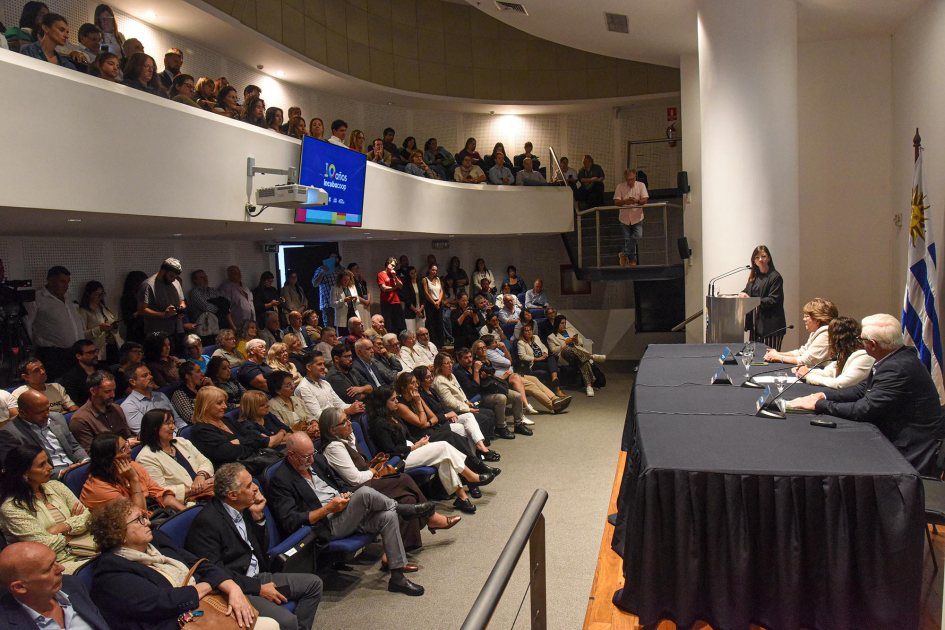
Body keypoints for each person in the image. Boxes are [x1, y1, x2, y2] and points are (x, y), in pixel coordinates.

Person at [267, 433, 426, 595]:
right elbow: (290, 521)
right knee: (365, 493)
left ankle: (397, 578)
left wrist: (345, 494)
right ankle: (402, 509)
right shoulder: (281, 480)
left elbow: (340, 484)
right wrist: (328, 508)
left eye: (312, 454)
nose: (312, 460)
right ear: (291, 455)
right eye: (306, 457)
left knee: (387, 516)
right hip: (325, 525)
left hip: (345, 513)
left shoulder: (318, 462)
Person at [788, 314, 945, 476]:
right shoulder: (894, 357)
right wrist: (822, 396)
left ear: (872, 344)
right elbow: (860, 390)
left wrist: (819, 405)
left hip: (910, 448)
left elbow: (865, 409)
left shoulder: (897, 368)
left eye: (861, 339)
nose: (859, 342)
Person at [89, 499, 275, 630]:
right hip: (177, 623)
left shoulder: (157, 541)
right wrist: (209, 584)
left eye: (144, 516)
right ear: (118, 533)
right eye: (139, 520)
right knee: (270, 626)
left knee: (271, 623)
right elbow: (164, 601)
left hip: (206, 608)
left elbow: (201, 564)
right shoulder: (111, 573)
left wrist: (232, 587)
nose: (147, 522)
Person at [184, 463, 324, 630]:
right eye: (249, 486)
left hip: (257, 576)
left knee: (313, 585)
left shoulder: (242, 509)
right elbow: (215, 572)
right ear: (232, 495)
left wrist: (257, 517)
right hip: (237, 588)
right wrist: (259, 589)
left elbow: (258, 550)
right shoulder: (207, 523)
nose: (256, 488)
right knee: (286, 621)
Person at [319, 408, 459, 549]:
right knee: (403, 480)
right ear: (332, 431)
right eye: (344, 422)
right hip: (356, 491)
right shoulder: (334, 448)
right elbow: (355, 479)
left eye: (348, 418)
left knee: (407, 499)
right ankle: (432, 517)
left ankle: (403, 548)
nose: (349, 423)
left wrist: (370, 470)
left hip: (367, 482)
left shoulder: (347, 438)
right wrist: (372, 471)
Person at [367, 387, 488, 514]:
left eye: (396, 398)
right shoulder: (379, 423)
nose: (397, 401)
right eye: (393, 399)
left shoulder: (393, 415)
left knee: (444, 458)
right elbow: (390, 450)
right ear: (382, 403)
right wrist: (415, 446)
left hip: (411, 449)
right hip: (399, 460)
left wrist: (420, 441)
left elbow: (407, 437)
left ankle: (462, 498)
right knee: (443, 446)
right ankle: (471, 475)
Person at [0, 446, 92, 574]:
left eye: (48, 461)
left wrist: (59, 528)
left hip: (85, 548)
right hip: (54, 565)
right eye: (41, 465)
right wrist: (73, 528)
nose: (50, 467)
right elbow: (44, 546)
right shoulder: (12, 508)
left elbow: (88, 518)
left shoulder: (56, 486)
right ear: (25, 473)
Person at [0, 541, 110, 630]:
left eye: (55, 561)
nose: (61, 568)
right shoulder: (5, 623)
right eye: (48, 569)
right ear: (20, 587)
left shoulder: (73, 584)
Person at [80, 433, 187, 512]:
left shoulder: (132, 466)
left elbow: (159, 493)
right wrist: (133, 480)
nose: (129, 450)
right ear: (108, 459)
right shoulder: (99, 489)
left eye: (127, 445)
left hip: (150, 516)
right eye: (122, 450)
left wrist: (185, 512)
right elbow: (139, 517)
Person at [414, 366, 497, 461]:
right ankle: (474, 458)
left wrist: (450, 412)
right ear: (419, 381)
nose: (431, 378)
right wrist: (446, 416)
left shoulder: (432, 390)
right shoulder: (421, 397)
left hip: (447, 419)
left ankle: (480, 447)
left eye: (431, 375)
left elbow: (443, 406)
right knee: (466, 429)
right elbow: (430, 417)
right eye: (427, 377)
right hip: (439, 425)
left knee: (468, 417)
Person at [135, 409, 214, 505]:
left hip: (208, 488)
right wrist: (193, 489)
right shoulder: (146, 458)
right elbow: (160, 490)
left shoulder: (182, 442)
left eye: (173, 423)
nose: (173, 427)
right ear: (154, 428)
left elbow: (205, 462)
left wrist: (201, 476)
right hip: (187, 502)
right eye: (168, 424)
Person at [23, 267, 84, 381]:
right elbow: (27, 324)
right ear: (50, 280)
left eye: (67, 282)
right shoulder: (37, 298)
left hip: (75, 351)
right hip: (52, 353)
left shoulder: (69, 297)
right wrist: (35, 344)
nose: (66, 286)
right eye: (62, 281)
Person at [189, 387, 272, 469]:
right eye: (219, 403)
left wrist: (238, 441)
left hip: (254, 462)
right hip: (233, 471)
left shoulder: (226, 420)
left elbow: (254, 436)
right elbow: (227, 454)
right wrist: (248, 443)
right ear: (206, 406)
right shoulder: (201, 431)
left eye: (224, 402)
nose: (225, 406)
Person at [481, 336, 563, 413]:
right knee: (531, 385)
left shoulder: (495, 349)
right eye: (493, 342)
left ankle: (555, 399)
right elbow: (509, 363)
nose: (497, 342)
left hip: (512, 373)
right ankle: (553, 405)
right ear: (488, 346)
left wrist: (504, 348)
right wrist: (508, 361)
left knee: (534, 379)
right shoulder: (489, 353)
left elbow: (510, 359)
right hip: (505, 377)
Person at [795, 316, 874, 389]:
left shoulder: (864, 356)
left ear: (837, 339)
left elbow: (840, 384)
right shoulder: (845, 353)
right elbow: (829, 372)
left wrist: (808, 376)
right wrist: (807, 371)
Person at [431, 352, 499, 435]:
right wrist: (467, 409)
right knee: (483, 418)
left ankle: (488, 438)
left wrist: (467, 402)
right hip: (455, 410)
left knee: (490, 413)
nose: (450, 365)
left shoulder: (451, 375)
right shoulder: (439, 380)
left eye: (451, 362)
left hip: (463, 405)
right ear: (440, 366)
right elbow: (449, 402)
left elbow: (460, 391)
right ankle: (482, 445)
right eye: (447, 363)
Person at [69, 370, 134, 452]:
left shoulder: (117, 409)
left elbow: (128, 436)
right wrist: (125, 444)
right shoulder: (80, 419)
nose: (113, 395)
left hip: (127, 453)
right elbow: (92, 453)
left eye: (114, 390)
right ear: (93, 391)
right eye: (107, 391)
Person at [739, 245, 788, 350]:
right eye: (757, 257)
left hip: (770, 326)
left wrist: (752, 300)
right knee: (755, 358)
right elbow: (747, 291)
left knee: (770, 358)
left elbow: (773, 300)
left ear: (769, 258)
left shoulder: (775, 277)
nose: (760, 259)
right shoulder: (755, 276)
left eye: (763, 256)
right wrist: (741, 294)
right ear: (754, 260)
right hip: (755, 326)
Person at [764, 298, 838, 366]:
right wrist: (778, 353)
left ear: (818, 320)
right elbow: (802, 352)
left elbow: (807, 361)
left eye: (807, 316)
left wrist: (778, 357)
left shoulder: (825, 334)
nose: (804, 319)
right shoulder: (816, 332)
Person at [547, 315, 605, 397]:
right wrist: (565, 343)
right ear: (557, 324)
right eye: (562, 323)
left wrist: (577, 340)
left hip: (578, 354)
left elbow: (581, 342)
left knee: (582, 360)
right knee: (567, 349)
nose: (564, 325)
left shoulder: (570, 331)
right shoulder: (551, 337)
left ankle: (588, 386)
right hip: (565, 356)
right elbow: (554, 351)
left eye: (565, 323)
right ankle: (591, 356)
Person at [119, 363, 185, 433]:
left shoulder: (161, 395)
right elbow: (145, 434)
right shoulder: (129, 405)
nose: (150, 377)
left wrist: (185, 433)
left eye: (149, 374)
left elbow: (177, 420)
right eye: (145, 376)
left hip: (178, 436)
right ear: (133, 382)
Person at [296, 353, 364, 420]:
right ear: (308, 367)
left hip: (339, 419)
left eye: (323, 364)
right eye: (319, 364)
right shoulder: (304, 388)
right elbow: (318, 416)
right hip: (327, 427)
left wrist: (355, 406)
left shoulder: (325, 383)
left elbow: (340, 405)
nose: (323, 367)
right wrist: (346, 411)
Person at [519, 323, 571, 400]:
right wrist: (537, 359)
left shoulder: (536, 337)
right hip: (534, 363)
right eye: (526, 331)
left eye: (530, 330)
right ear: (523, 333)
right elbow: (522, 356)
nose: (529, 332)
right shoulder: (521, 343)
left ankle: (554, 379)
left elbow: (543, 347)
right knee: (552, 366)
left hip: (543, 358)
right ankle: (556, 388)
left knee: (551, 357)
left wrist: (545, 353)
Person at [138, 258, 186, 338]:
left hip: (176, 330)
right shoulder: (148, 285)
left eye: (175, 277)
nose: (173, 279)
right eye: (171, 276)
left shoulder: (176, 283)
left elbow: (182, 301)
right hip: (157, 334)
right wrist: (163, 315)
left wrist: (180, 310)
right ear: (163, 271)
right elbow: (141, 310)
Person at [78, 280, 122, 365]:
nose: (100, 297)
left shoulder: (104, 307)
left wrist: (114, 326)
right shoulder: (84, 311)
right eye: (96, 294)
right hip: (99, 348)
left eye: (102, 294)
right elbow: (82, 334)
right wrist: (99, 329)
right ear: (88, 294)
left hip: (112, 345)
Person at [12, 359, 77, 415]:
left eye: (42, 368)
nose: (42, 372)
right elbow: (19, 419)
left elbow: (72, 407)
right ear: (26, 377)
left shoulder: (56, 387)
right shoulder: (20, 393)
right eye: (36, 370)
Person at [613, 168, 649, 267]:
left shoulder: (641, 185)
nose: (630, 181)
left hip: (637, 216)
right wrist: (625, 201)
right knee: (628, 239)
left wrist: (637, 201)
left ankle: (623, 254)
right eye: (628, 179)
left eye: (632, 179)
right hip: (624, 217)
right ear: (625, 178)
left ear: (635, 177)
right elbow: (616, 202)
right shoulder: (620, 187)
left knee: (637, 235)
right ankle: (632, 260)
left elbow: (645, 199)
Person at [57, 340, 106, 409]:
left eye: (95, 351)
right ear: (78, 356)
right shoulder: (71, 377)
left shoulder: (103, 368)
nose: (95, 355)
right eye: (90, 353)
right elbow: (75, 401)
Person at [188, 269, 237, 338]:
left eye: (205, 277)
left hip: (220, 325)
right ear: (195, 280)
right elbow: (207, 308)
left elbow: (226, 303)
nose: (205, 279)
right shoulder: (195, 293)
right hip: (205, 328)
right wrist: (221, 306)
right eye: (202, 277)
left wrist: (220, 304)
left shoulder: (212, 290)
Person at [312, 253, 343, 330]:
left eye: (336, 257)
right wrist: (323, 272)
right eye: (332, 257)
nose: (334, 259)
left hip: (340, 302)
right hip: (327, 303)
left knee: (341, 327)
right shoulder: (321, 269)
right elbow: (315, 284)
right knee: (330, 327)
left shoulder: (341, 269)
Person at [377, 257, 406, 336]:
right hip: (386, 302)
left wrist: (395, 277)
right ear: (387, 264)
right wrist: (394, 288)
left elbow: (400, 285)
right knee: (388, 324)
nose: (393, 267)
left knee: (398, 324)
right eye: (392, 265)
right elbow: (384, 288)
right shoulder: (381, 274)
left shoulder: (395, 275)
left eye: (395, 266)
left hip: (396, 301)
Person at [120, 271, 148, 344]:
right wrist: (140, 311)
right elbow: (127, 318)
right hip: (135, 331)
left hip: (148, 330)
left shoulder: (146, 295)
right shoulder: (127, 298)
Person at [332, 271, 360, 337]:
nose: (346, 282)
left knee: (355, 334)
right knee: (344, 335)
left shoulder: (352, 287)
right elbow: (333, 304)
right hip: (342, 316)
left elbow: (358, 301)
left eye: (348, 280)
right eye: (344, 280)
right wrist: (343, 300)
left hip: (352, 313)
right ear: (340, 279)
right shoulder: (335, 289)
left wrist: (355, 300)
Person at [401, 267, 425, 334]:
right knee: (411, 332)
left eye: (415, 272)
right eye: (412, 273)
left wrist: (420, 310)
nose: (414, 275)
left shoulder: (420, 284)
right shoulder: (406, 285)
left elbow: (424, 298)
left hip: (420, 309)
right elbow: (407, 300)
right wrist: (416, 310)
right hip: (410, 310)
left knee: (421, 331)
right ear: (409, 275)